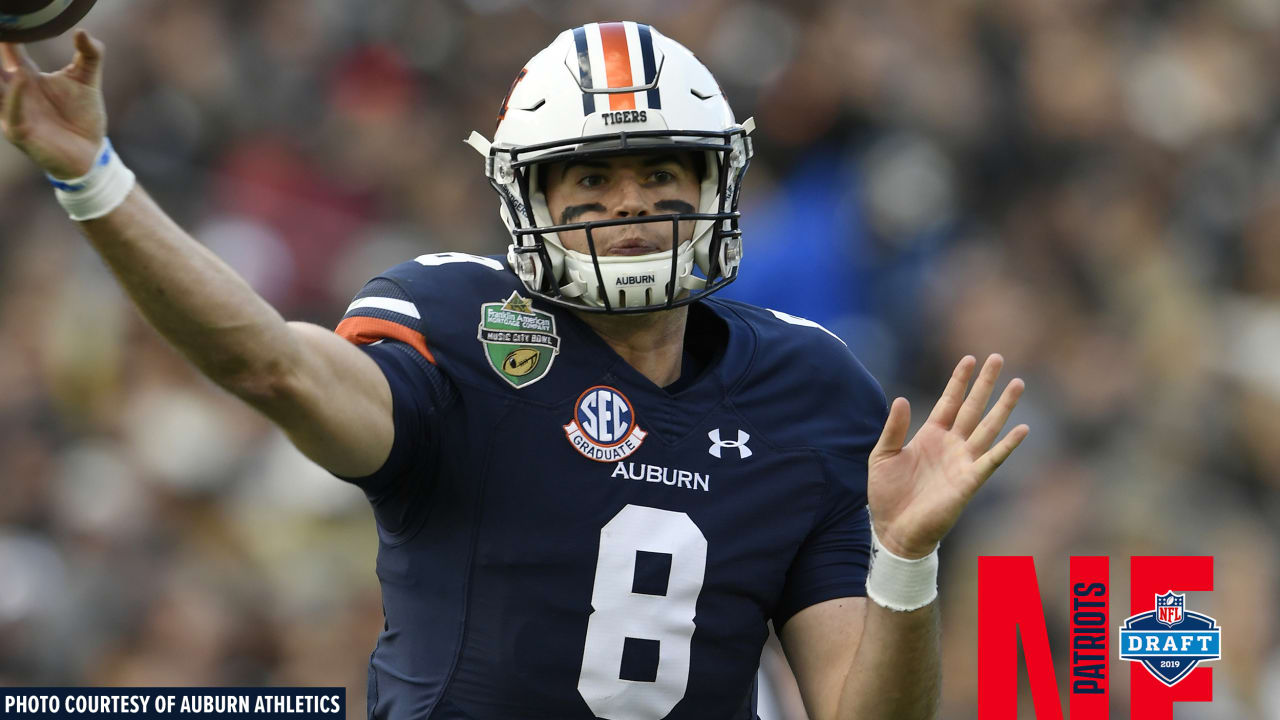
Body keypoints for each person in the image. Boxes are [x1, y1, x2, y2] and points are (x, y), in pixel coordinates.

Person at [0, 21, 1028, 720]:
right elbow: (268, 364)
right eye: (590, 176)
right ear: (526, 195)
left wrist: (901, 560)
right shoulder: (459, 324)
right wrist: (93, 178)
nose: (628, 203)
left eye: (659, 171)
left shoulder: (810, 386)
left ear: (717, 180)